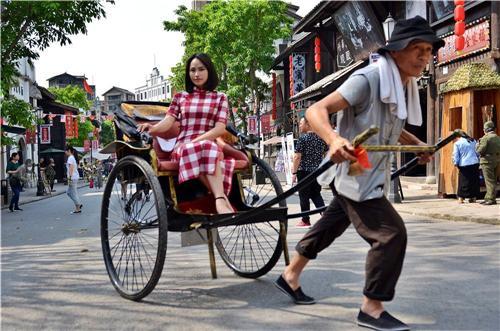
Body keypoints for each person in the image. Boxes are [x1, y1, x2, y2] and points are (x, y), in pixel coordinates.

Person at [275, 16, 443, 331]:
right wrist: (334, 139)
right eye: (416, 48)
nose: (424, 56)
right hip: (354, 171)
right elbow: (316, 111)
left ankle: (290, 275)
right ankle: (371, 306)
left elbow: (390, 124)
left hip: (365, 171)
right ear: (395, 50)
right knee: (390, 234)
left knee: (328, 228)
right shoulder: (369, 78)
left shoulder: (402, 83)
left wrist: (417, 143)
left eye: (428, 50)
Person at [138, 53, 234, 214]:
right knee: (202, 148)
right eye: (193, 70)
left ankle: (218, 199)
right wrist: (152, 128)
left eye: (201, 69)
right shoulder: (180, 97)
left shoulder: (220, 98)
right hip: (183, 146)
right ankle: (221, 198)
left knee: (207, 147)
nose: (196, 74)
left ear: (209, 70)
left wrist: (198, 141)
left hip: (209, 144)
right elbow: (168, 122)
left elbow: (219, 129)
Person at [292, 117, 327, 228]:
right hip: (317, 171)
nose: (300, 125)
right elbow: (326, 153)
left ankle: (305, 220)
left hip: (304, 172)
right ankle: (325, 215)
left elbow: (297, 157)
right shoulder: (321, 138)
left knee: (304, 196)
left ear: (308, 124)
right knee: (316, 194)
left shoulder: (303, 139)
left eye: (301, 123)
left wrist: (294, 172)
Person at [476, 121, 500, 205]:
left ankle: (490, 199)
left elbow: (479, 150)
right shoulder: (498, 137)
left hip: (487, 161)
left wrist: (477, 145)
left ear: (486, 129)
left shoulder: (485, 138)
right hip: (497, 160)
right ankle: (490, 197)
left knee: (489, 181)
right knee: (494, 180)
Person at [452, 134, 480, 203]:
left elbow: (456, 154)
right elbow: (477, 152)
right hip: (474, 162)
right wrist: (478, 159)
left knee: (463, 181)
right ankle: (473, 197)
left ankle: (461, 198)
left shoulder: (457, 143)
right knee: (473, 180)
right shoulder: (473, 141)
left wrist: (456, 162)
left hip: (464, 163)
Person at [65, 146, 82, 214]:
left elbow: (71, 168)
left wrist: (69, 177)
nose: (65, 152)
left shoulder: (70, 158)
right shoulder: (72, 158)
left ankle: (78, 205)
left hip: (72, 177)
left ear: (69, 150)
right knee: (71, 192)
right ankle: (78, 207)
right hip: (74, 177)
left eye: (66, 151)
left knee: (71, 193)